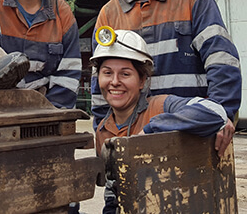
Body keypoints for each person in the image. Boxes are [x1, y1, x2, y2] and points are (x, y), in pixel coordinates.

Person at [91, 0, 241, 155]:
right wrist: (102, 133)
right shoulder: (108, 14)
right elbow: (101, 84)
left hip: (195, 132)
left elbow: (220, 57)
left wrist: (222, 113)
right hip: (136, 138)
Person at [91, 28, 228, 214]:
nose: (114, 82)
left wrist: (150, 131)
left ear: (142, 81)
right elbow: (113, 192)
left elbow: (215, 112)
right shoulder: (102, 131)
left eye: (125, 74)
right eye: (107, 73)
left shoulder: (162, 106)